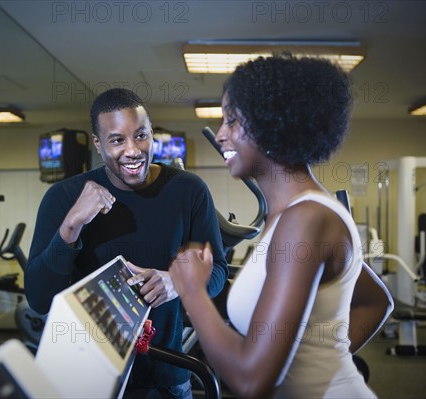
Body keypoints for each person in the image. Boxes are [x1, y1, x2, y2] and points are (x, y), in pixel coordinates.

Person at [169, 54, 394, 399]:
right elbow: (376, 301)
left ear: (270, 124)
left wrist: (193, 291)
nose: (220, 135)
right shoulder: (296, 213)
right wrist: (316, 362)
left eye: (231, 121)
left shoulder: (305, 220)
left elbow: (250, 380)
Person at [25, 87, 228, 398]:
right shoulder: (63, 197)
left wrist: (177, 282)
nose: (133, 150)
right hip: (89, 379)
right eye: (117, 140)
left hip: (166, 376)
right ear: (98, 143)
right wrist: (71, 226)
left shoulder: (189, 190)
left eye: (141, 135)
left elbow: (217, 273)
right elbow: (39, 298)